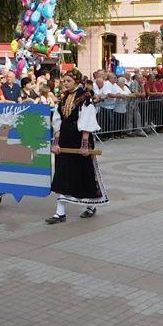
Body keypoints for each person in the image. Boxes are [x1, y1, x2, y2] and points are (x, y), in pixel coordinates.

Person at [46, 69, 108, 223]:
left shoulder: (85, 97)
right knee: (62, 173)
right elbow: (58, 120)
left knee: (84, 173)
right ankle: (60, 212)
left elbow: (86, 121)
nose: (65, 84)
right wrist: (56, 142)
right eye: (64, 81)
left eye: (68, 81)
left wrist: (85, 145)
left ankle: (91, 206)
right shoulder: (63, 97)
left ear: (77, 81)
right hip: (65, 140)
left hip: (80, 139)